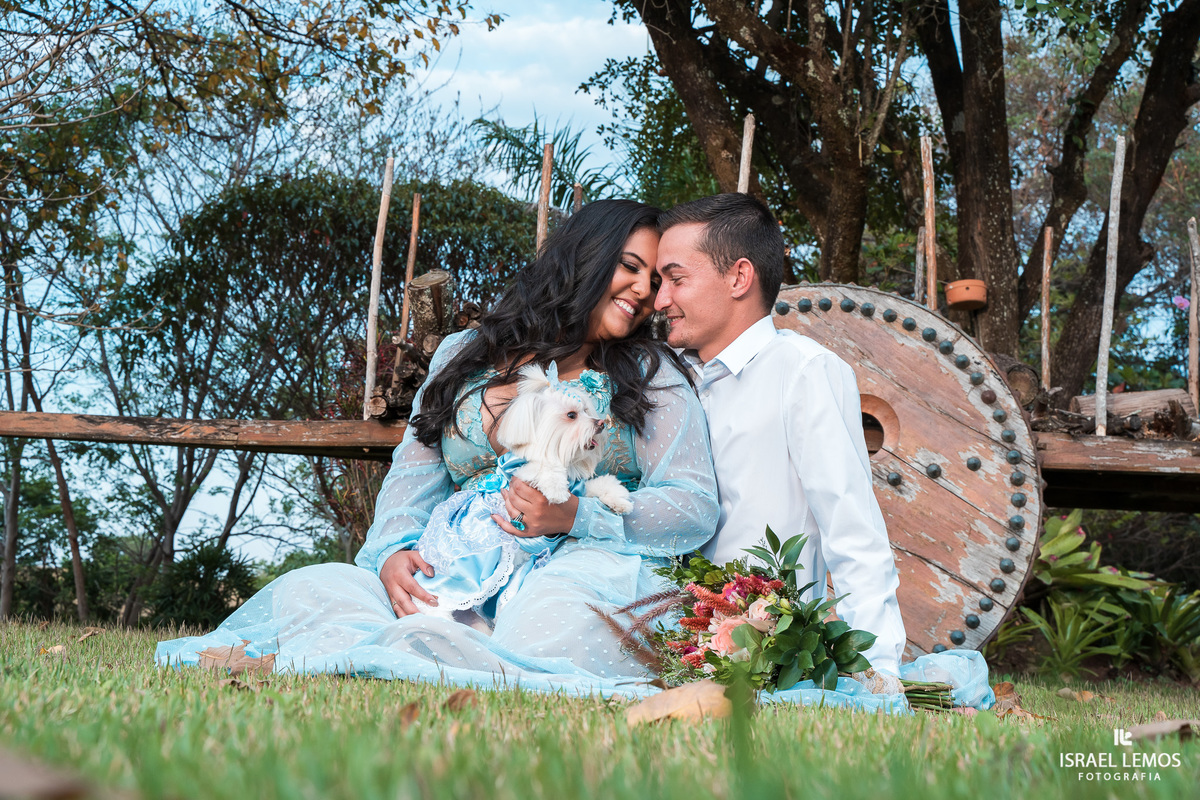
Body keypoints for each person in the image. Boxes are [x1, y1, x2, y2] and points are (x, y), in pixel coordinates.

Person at [156, 199, 720, 694]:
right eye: (630, 267)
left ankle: (462, 648)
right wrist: (392, 558)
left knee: (554, 623)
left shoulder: (651, 373)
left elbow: (693, 507)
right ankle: (434, 637)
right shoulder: (464, 355)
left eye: (655, 281)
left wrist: (575, 515)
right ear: (585, 256)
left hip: (578, 565)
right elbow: (411, 484)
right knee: (316, 590)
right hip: (452, 563)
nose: (645, 292)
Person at [653, 193, 908, 683]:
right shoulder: (668, 380)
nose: (660, 299)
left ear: (739, 277)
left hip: (761, 642)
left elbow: (851, 528)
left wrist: (877, 672)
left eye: (676, 279)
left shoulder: (804, 372)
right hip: (660, 623)